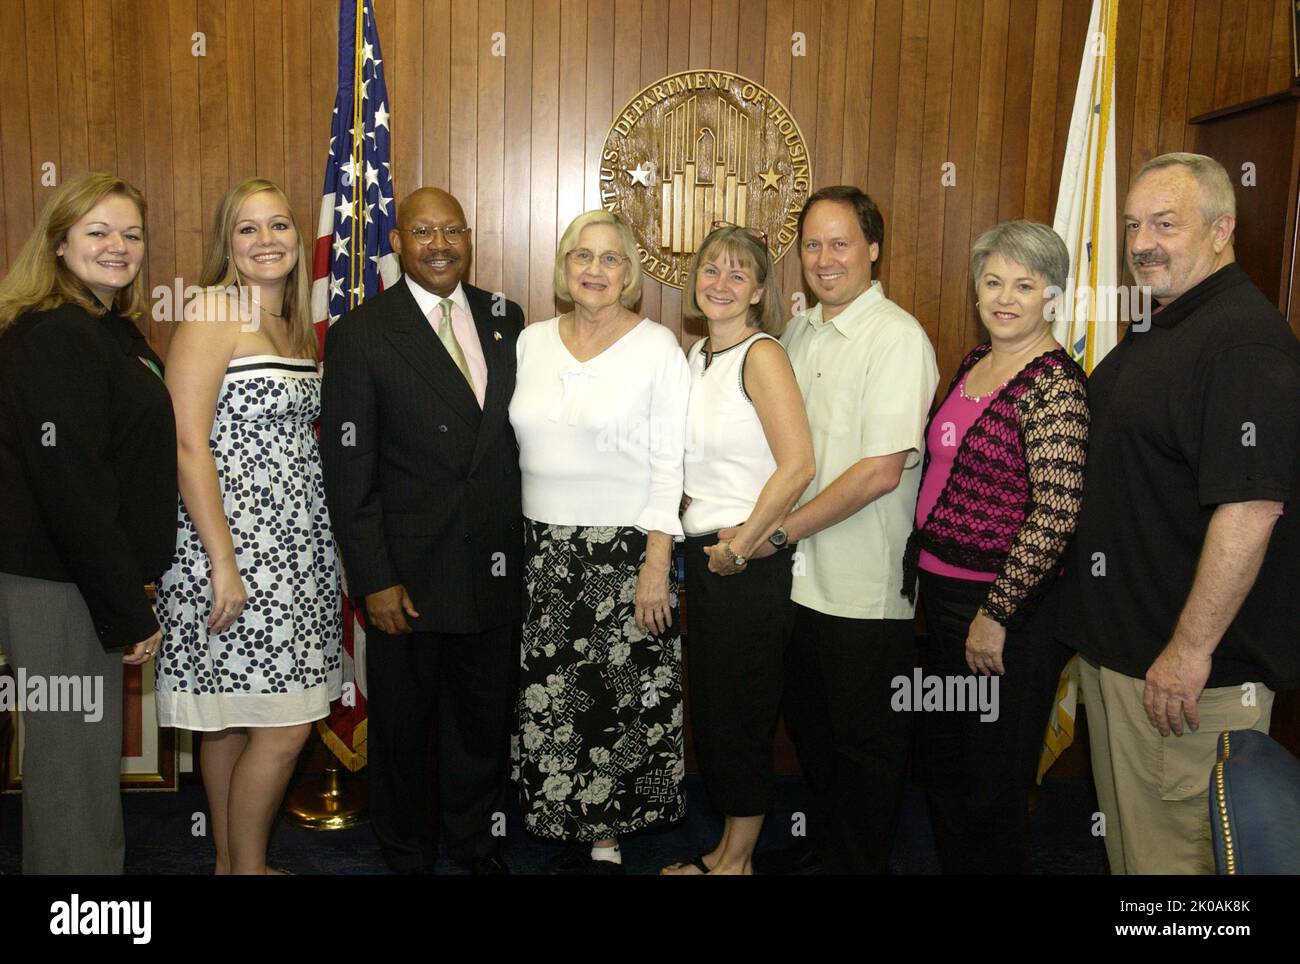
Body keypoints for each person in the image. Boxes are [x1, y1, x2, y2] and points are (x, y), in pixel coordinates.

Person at [1058, 152, 1300, 875]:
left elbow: (1252, 508)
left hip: (1184, 680)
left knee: (1175, 870)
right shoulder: (1165, 322)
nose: (1142, 242)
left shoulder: (1244, 343)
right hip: (1125, 659)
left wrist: (1188, 651)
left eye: (1165, 223)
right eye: (1133, 224)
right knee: (1135, 856)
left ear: (1223, 228)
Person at [320, 187, 524, 875]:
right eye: (423, 231)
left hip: (494, 565)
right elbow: (349, 471)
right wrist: (374, 578)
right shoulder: (362, 334)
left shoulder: (506, 317)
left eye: (453, 231)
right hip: (407, 577)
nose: (440, 245)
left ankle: (474, 844)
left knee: (480, 722)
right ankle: (406, 852)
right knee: (404, 731)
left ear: (469, 238)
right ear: (398, 242)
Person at [744, 185, 939, 875]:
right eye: (813, 244)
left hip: (863, 588)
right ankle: (828, 850)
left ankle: (855, 864)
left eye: (841, 243)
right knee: (814, 732)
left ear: (874, 250)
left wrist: (776, 533)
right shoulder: (799, 331)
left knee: (866, 746)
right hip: (799, 584)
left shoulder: (897, 339)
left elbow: (879, 473)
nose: (825, 259)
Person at [154, 177, 341, 874]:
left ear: (298, 238)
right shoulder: (213, 311)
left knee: (233, 717)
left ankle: (231, 865)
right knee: (288, 726)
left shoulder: (293, 324)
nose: (268, 241)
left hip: (296, 551)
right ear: (226, 245)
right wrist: (224, 562)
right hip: (230, 548)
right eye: (248, 229)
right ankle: (251, 867)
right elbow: (185, 443)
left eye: (279, 226)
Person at [0, 172, 176, 874]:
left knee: (84, 755)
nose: (118, 246)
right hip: (58, 583)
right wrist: (123, 608)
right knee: (70, 764)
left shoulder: (107, 328)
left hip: (83, 578)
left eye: (131, 234)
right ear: (59, 242)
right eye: (98, 231)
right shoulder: (53, 336)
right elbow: (71, 486)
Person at [901, 220, 1088, 874]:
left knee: (993, 782)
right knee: (948, 767)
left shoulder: (1054, 385)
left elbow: (1056, 513)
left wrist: (996, 614)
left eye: (1025, 284)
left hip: (1005, 616)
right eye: (993, 281)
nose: (1005, 296)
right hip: (945, 600)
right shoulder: (977, 362)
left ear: (1052, 296)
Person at [509, 210, 690, 874]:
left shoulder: (657, 348)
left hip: (624, 552)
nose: (595, 270)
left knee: (618, 701)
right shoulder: (529, 343)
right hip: (540, 553)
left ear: (629, 274)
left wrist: (656, 563)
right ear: (564, 266)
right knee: (553, 698)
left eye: (611, 259)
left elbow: (671, 461)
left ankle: (607, 842)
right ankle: (563, 826)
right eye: (582, 256)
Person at [659, 224, 814, 876]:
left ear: (757, 291)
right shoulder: (697, 354)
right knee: (718, 714)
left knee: (744, 713)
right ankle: (726, 849)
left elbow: (799, 464)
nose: (719, 283)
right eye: (711, 269)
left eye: (737, 274)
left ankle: (738, 862)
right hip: (708, 561)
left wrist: (744, 544)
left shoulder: (762, 355)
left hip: (748, 568)